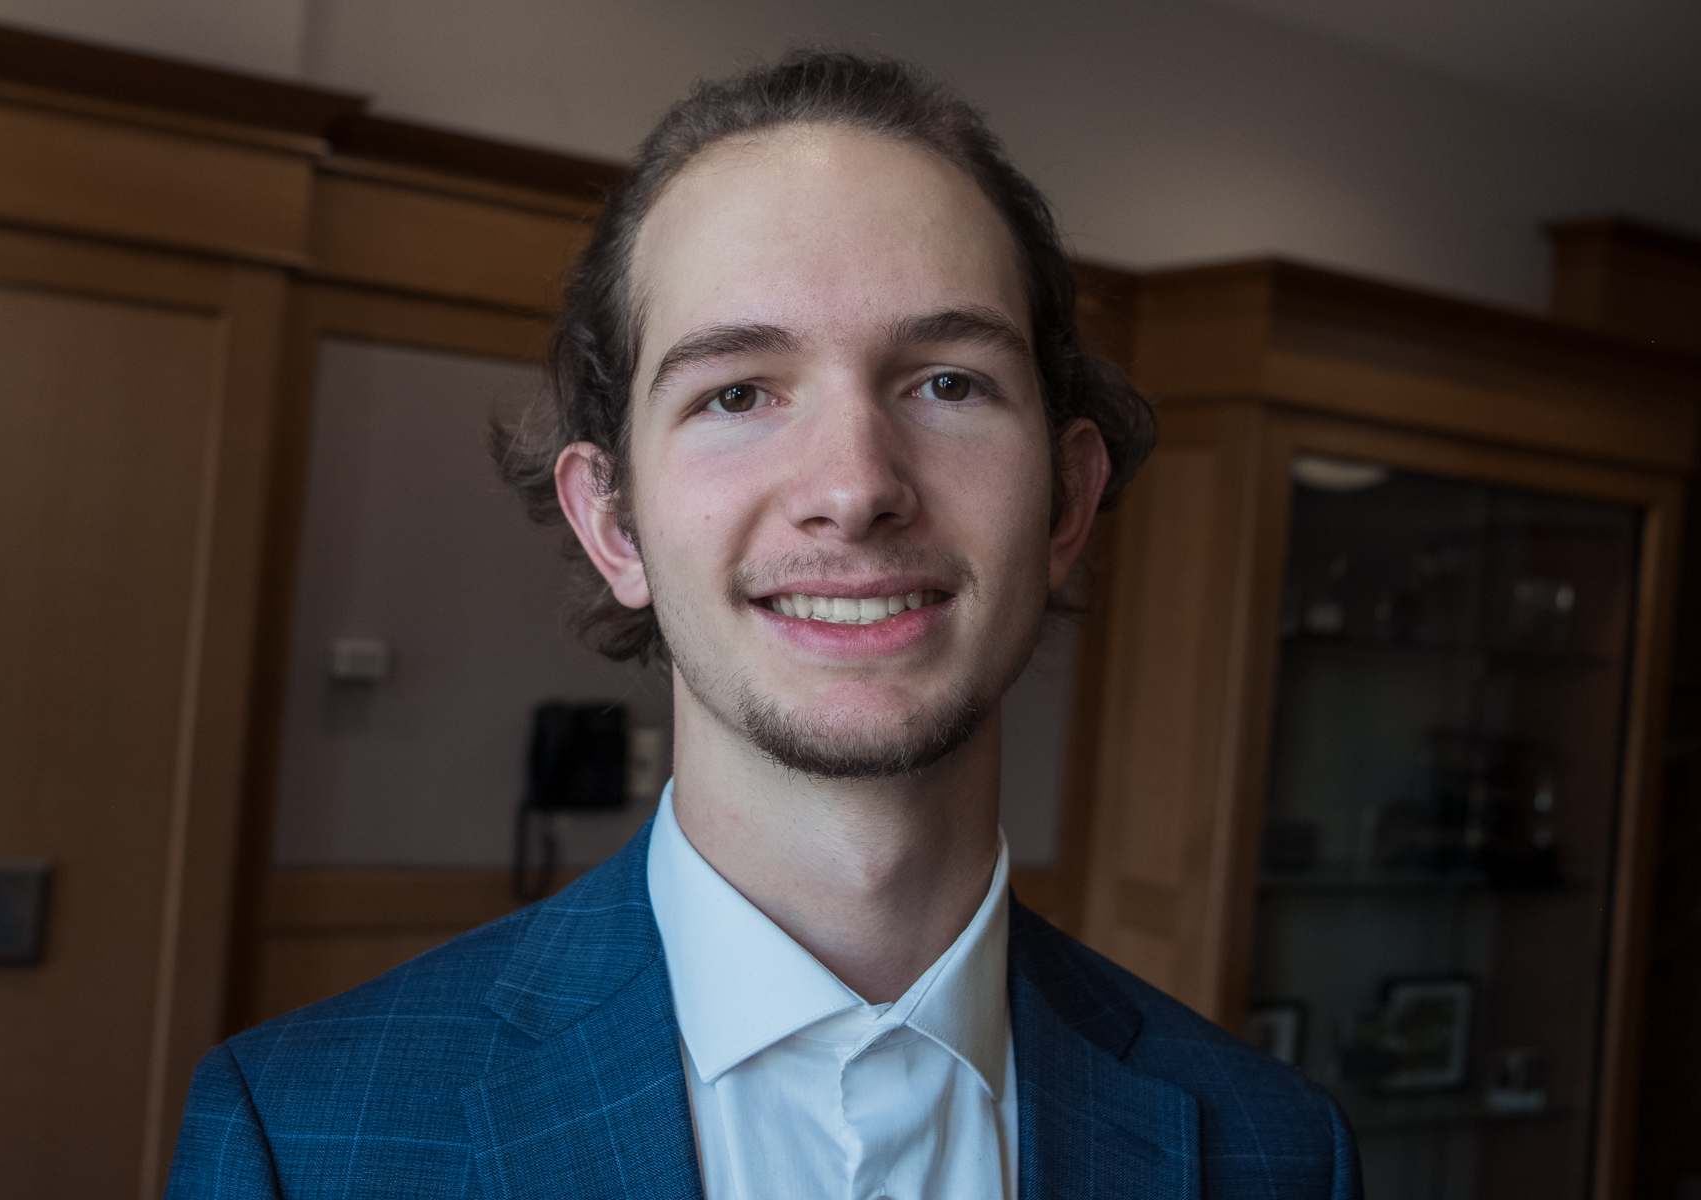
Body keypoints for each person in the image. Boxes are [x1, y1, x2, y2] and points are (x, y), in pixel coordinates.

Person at [167, 51, 1360, 1199]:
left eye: (947, 381)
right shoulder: (302, 1142)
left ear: (1068, 503)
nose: (854, 485)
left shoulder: (1278, 1153)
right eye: (736, 393)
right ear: (614, 524)